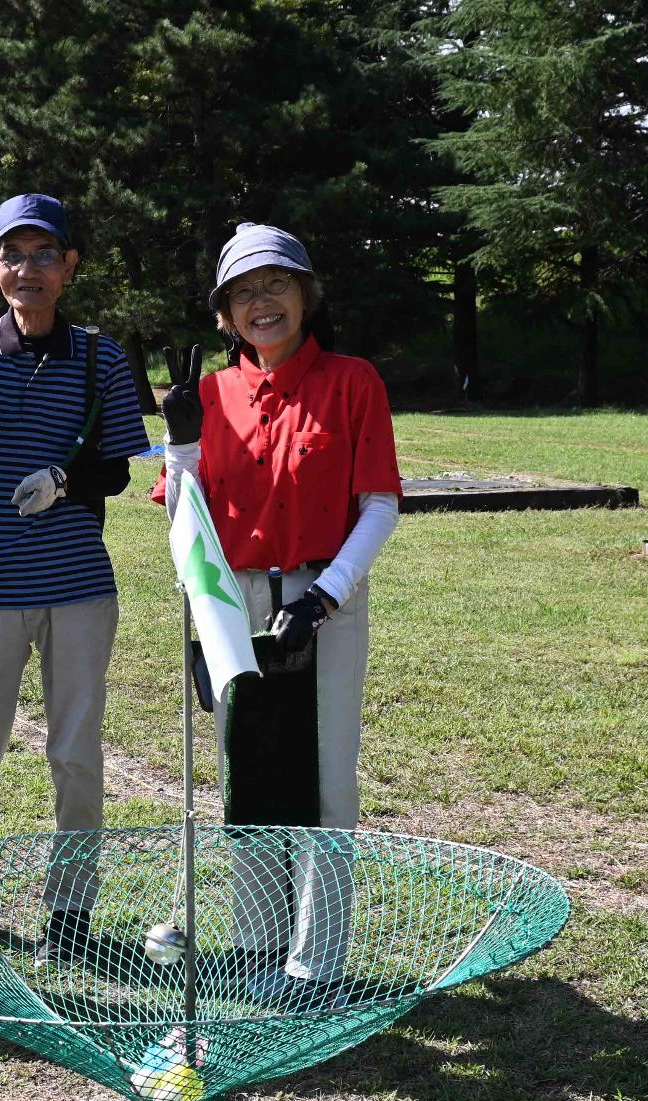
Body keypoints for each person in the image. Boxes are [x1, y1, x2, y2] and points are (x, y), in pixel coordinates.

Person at [154, 223, 402, 1001]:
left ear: (306, 294)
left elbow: (380, 503)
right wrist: (178, 443)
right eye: (243, 292)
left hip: (324, 598)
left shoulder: (352, 380)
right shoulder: (210, 393)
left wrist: (328, 592)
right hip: (235, 602)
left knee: (324, 782)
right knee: (250, 781)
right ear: (224, 314)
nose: (262, 303)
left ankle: (315, 962)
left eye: (276, 285)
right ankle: (259, 950)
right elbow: (184, 518)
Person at [0, 193, 150, 962]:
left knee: (75, 755)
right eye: (13, 256)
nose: (29, 270)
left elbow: (116, 469)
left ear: (69, 266)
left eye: (45, 254)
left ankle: (71, 914)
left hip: (79, 585)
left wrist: (65, 480)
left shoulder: (100, 356)